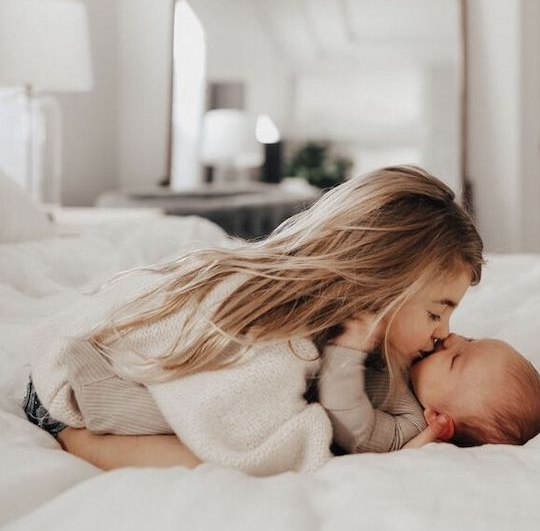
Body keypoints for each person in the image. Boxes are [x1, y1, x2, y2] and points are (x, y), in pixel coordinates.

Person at [25, 165, 484, 476]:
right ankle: (83, 445)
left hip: (84, 349)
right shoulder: (280, 337)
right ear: (382, 282)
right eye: (435, 312)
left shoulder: (329, 318)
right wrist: (321, 449)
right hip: (74, 386)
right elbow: (253, 438)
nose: (444, 333)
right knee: (214, 461)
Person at [319, 329, 540, 454]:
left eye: (455, 359)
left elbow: (354, 430)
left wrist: (346, 350)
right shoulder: (416, 363)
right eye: (470, 340)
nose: (452, 338)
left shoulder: (411, 424)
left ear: (439, 418)